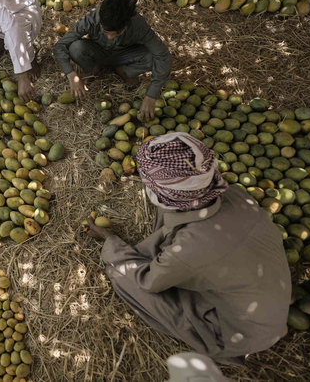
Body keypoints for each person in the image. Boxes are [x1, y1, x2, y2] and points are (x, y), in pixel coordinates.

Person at [87, 132, 291, 365]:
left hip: (243, 332)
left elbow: (149, 282)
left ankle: (240, 343)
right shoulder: (236, 194)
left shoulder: (189, 250)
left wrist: (110, 239)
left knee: (121, 273)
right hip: (266, 301)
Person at [54, 0, 171, 121]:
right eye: (105, 32)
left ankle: (123, 70)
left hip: (124, 55)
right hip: (98, 52)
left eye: (116, 33)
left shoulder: (138, 24)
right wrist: (71, 75)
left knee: (153, 58)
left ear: (126, 25)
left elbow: (163, 56)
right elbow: (60, 45)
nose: (110, 37)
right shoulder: (92, 18)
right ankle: (93, 68)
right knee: (76, 47)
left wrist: (151, 96)